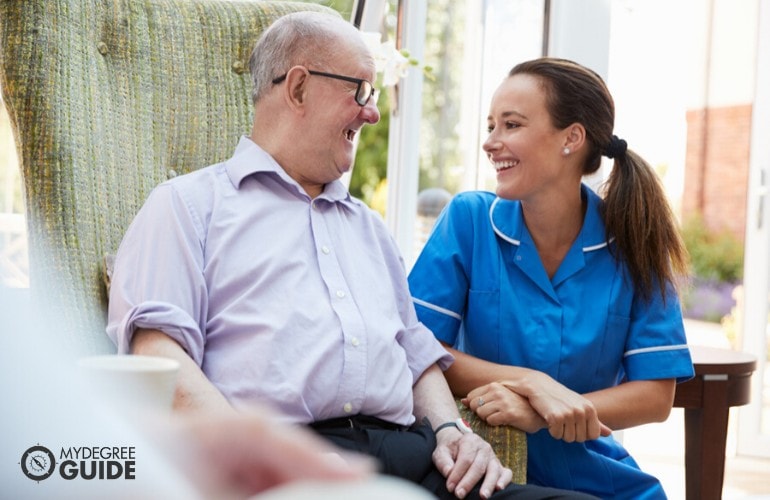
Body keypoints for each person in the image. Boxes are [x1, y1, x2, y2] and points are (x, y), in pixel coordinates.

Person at [106, 12, 595, 500]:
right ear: (298, 88)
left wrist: (452, 433)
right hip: (285, 468)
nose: (372, 113)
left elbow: (415, 355)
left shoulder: (366, 226)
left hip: (415, 462)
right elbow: (158, 357)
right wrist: (261, 459)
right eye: (359, 91)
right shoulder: (188, 206)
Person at [407, 57, 694, 499]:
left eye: (512, 125)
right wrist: (529, 380)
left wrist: (542, 411)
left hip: (593, 468)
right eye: (491, 126)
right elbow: (419, 349)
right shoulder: (469, 221)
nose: (491, 142)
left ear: (571, 139)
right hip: (484, 461)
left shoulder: (635, 242)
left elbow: (656, 393)